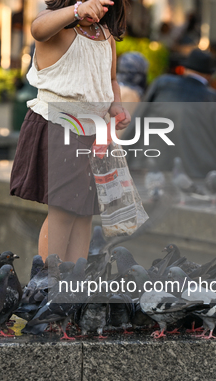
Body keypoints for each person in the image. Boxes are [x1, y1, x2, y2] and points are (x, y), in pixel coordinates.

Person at [10, 0, 131, 263]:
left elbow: (110, 80)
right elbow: (38, 28)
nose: (93, 8)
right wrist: (76, 12)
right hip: (59, 124)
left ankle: (74, 282)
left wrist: (117, 107)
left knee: (84, 211)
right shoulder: (57, 28)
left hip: (94, 133)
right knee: (64, 209)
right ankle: (47, 283)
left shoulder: (105, 36)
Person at [124, 49, 216, 180]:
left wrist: (123, 156)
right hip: (197, 174)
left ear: (184, 69)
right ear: (210, 75)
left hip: (150, 166)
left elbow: (137, 121)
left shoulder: (162, 84)